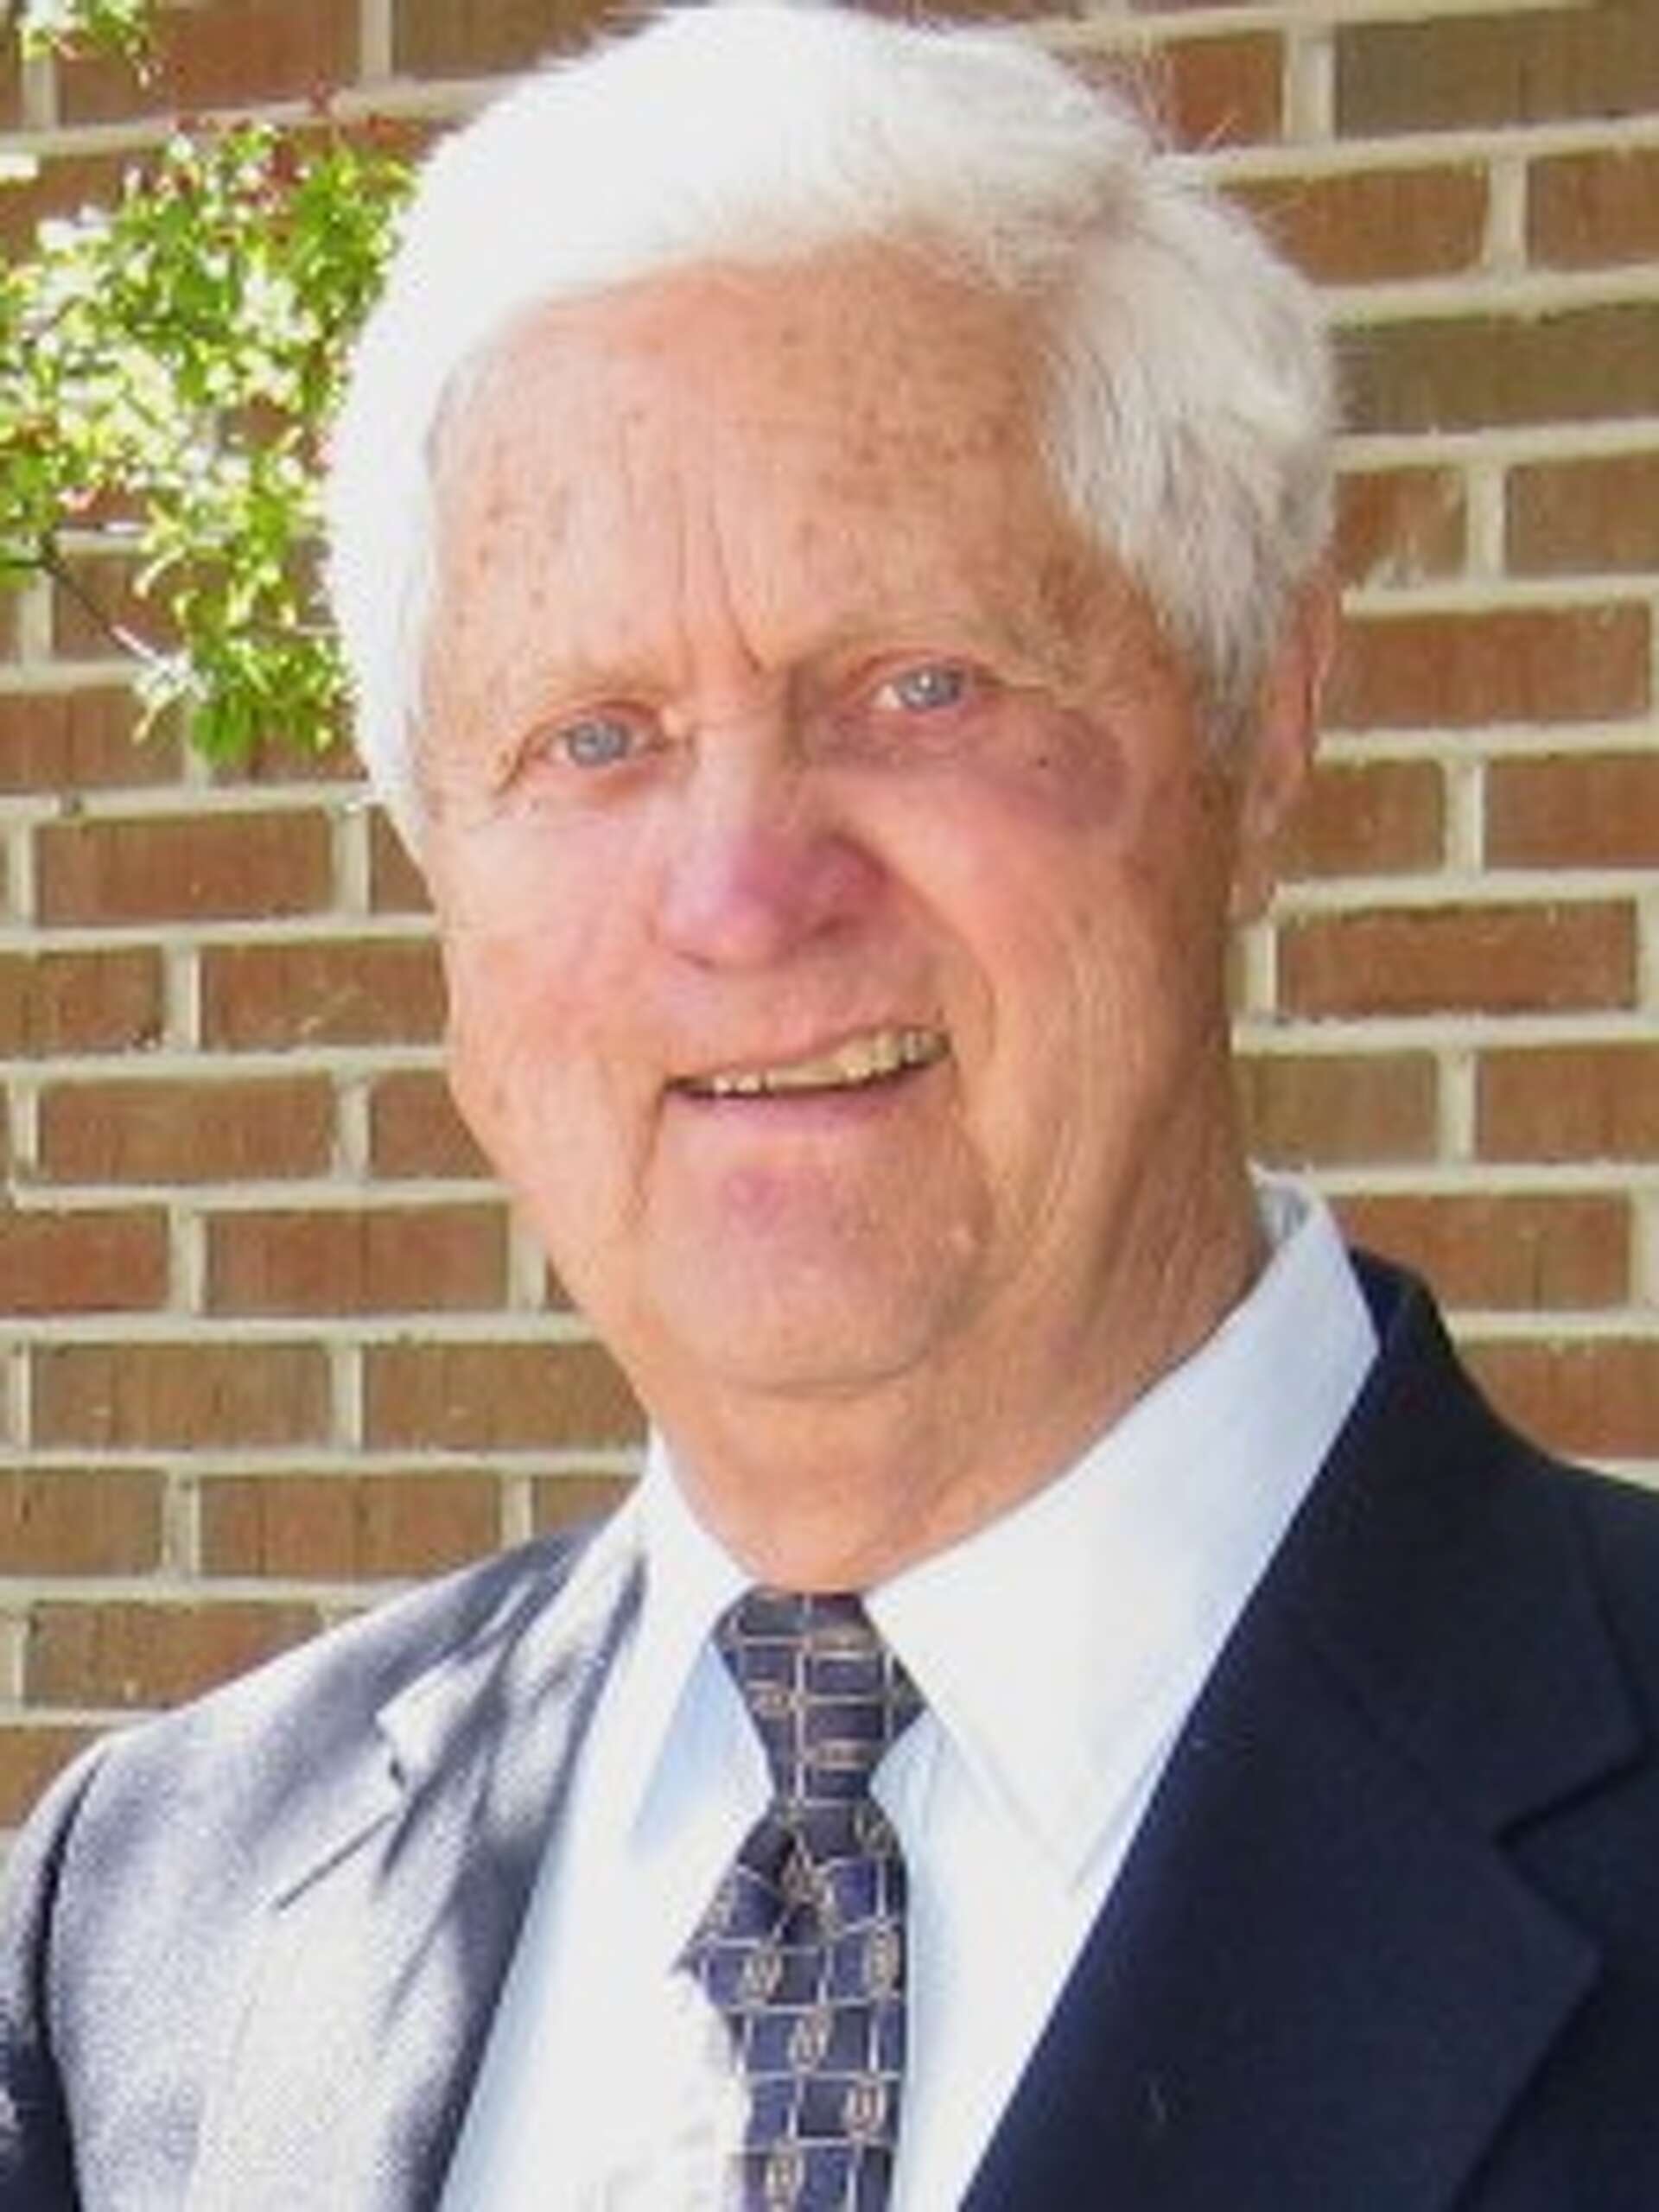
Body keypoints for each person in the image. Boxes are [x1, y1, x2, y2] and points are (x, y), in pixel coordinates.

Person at [5, 6, 1659, 2206]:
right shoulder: (147, 1927)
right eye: (592, 735)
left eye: (919, 685)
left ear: (1258, 722)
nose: (742, 891)